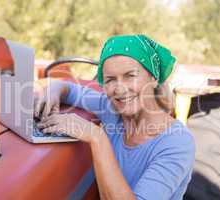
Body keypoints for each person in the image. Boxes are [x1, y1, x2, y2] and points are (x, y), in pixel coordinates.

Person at [34, 34, 195, 200]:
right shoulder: (111, 108)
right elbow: (72, 90)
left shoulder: (177, 142)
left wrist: (96, 137)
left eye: (130, 76)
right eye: (110, 80)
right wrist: (54, 89)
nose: (119, 89)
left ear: (153, 78)